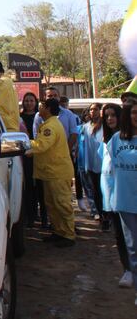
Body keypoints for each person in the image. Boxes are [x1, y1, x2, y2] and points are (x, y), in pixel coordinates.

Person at [25, 98, 76, 247]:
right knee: (51, 204)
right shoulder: (48, 124)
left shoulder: (51, 126)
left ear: (47, 109)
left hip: (57, 172)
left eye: (41, 106)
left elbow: (41, 145)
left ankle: (68, 235)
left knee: (62, 204)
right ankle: (59, 232)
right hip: (50, 172)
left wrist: (25, 143)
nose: (39, 109)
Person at [102, 103, 137, 305]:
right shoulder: (116, 140)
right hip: (125, 202)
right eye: (133, 112)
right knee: (133, 250)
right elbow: (112, 170)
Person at [33, 86, 84, 211]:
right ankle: (55, 226)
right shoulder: (39, 116)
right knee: (50, 199)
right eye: (49, 96)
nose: (52, 98)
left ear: (59, 97)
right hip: (46, 162)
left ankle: (67, 229)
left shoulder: (68, 114)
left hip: (63, 159)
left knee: (62, 199)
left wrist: (64, 150)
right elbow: (37, 137)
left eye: (55, 95)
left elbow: (73, 133)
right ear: (45, 98)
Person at [20, 92, 46, 228]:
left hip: (40, 154)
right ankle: (30, 215)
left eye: (31, 100)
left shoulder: (41, 117)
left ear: (35, 102)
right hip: (26, 155)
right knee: (28, 185)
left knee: (41, 186)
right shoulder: (19, 117)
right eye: (27, 100)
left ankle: (43, 217)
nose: (29, 103)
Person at [81, 104, 104, 223]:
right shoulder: (85, 127)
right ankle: (100, 214)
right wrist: (85, 164)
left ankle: (107, 215)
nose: (93, 112)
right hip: (91, 164)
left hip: (103, 165)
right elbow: (84, 146)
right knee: (95, 192)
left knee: (104, 191)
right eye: (91, 110)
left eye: (95, 109)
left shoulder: (105, 126)